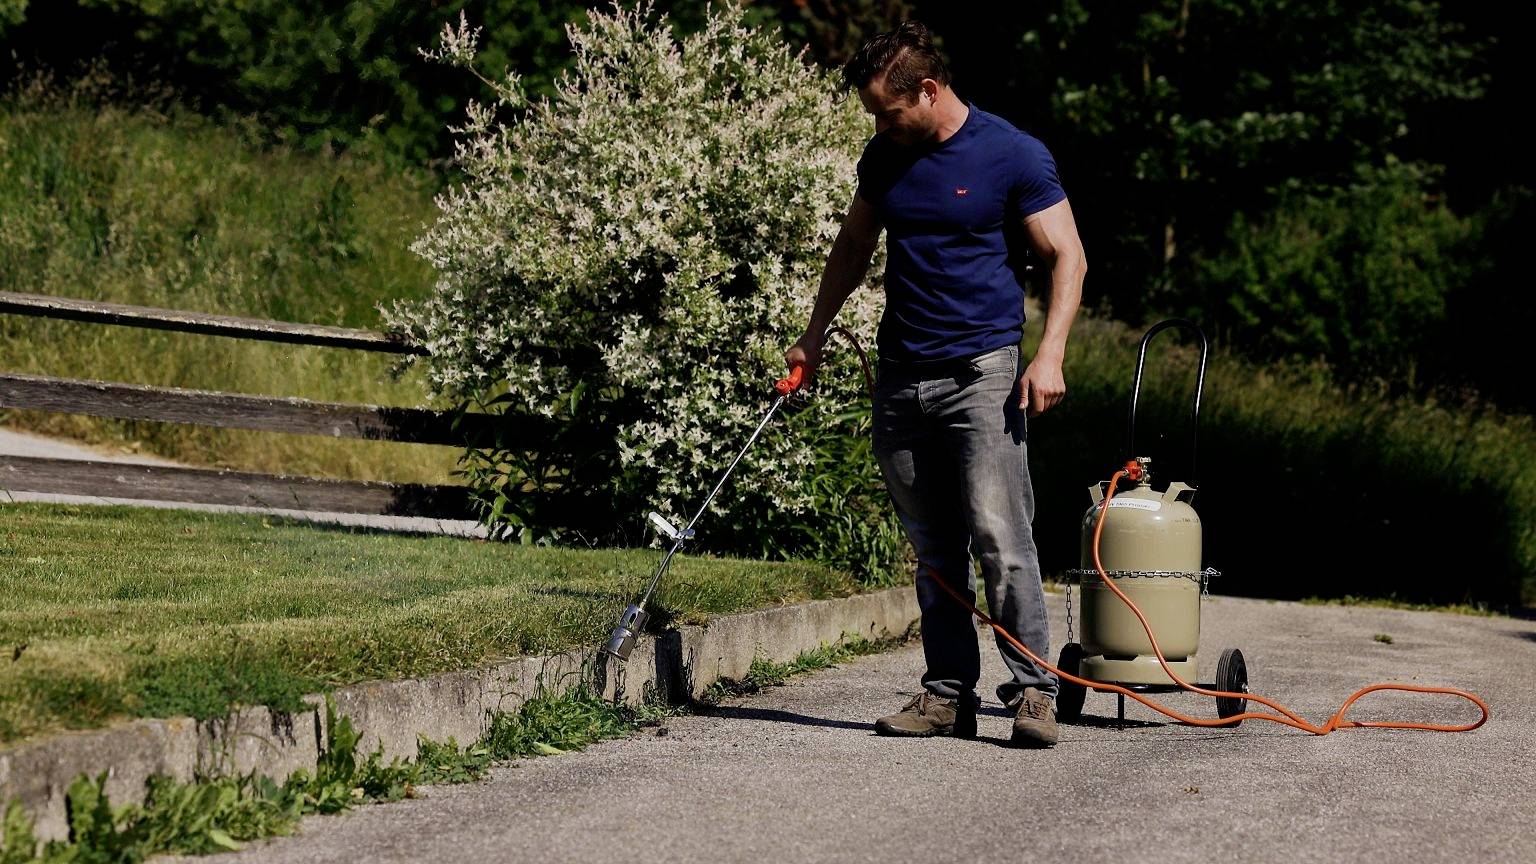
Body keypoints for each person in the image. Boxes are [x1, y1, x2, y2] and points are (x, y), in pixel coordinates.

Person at [785, 20, 1086, 747]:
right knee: (933, 549)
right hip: (901, 377)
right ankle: (946, 694)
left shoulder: (1012, 154)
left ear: (927, 89)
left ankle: (1036, 692)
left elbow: (1066, 256)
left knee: (1000, 536)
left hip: (981, 374)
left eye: (888, 111)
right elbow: (854, 246)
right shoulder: (884, 159)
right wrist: (813, 334)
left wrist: (1050, 355)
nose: (879, 125)